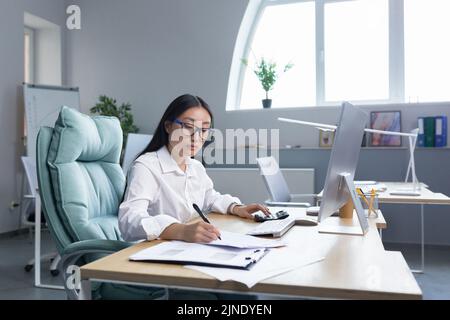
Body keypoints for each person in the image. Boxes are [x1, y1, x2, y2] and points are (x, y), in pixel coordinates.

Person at [119, 93, 270, 244]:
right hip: (151, 251)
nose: (196, 138)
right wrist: (181, 230)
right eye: (188, 127)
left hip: (186, 248)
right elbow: (130, 220)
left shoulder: (195, 166)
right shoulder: (146, 166)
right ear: (168, 126)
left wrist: (237, 208)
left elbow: (210, 197)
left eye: (204, 130)